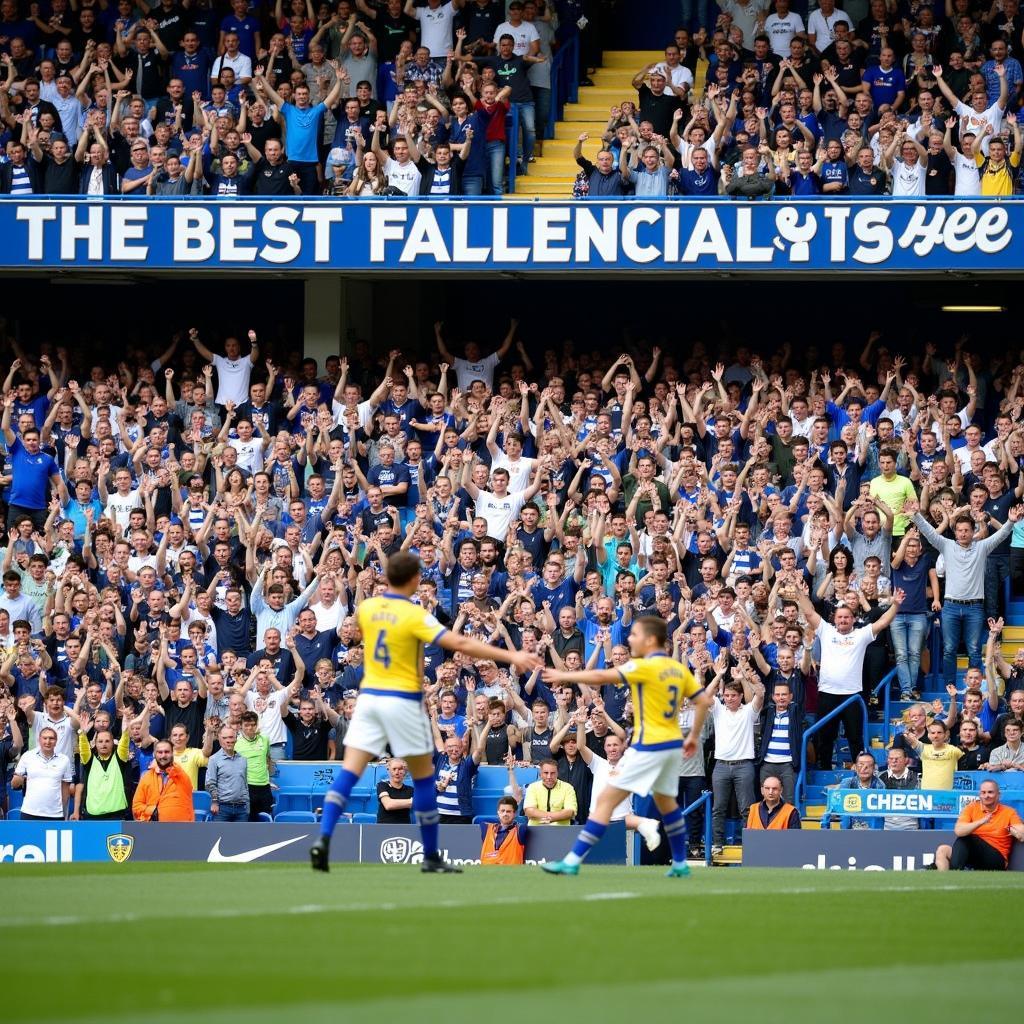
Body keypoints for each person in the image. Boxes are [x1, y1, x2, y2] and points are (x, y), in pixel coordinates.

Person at [309, 551, 542, 873]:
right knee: (423, 781)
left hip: (370, 699)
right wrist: (511, 655)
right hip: (403, 701)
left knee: (349, 774)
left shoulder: (368, 608)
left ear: (386, 578)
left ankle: (323, 839)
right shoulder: (415, 614)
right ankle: (431, 855)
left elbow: (368, 637)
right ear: (416, 580)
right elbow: (461, 644)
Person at [540, 616, 711, 878]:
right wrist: (693, 736)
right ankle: (679, 864)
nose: (630, 639)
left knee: (606, 802)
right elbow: (702, 701)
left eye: (635, 635)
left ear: (650, 639)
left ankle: (572, 860)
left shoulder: (644, 666)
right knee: (667, 804)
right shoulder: (678, 669)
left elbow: (601, 675)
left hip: (648, 747)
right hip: (672, 749)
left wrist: (565, 674)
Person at [907, 499, 1023, 688]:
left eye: (966, 530)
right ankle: (950, 686)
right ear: (955, 532)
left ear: (972, 531)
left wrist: (1010, 521)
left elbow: (1000, 536)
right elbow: (928, 533)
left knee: (975, 650)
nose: (963, 533)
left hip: (975, 607)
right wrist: (916, 515)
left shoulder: (982, 547)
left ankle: (975, 685)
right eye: (959, 530)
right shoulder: (947, 545)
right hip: (951, 606)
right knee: (949, 650)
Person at [796, 582, 904, 769]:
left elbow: (883, 622)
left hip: (852, 694)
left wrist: (895, 604)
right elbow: (809, 613)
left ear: (853, 619)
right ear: (834, 619)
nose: (843, 620)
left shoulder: (861, 634)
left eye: (847, 617)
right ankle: (824, 771)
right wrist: (799, 592)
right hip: (828, 693)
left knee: (855, 736)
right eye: (840, 617)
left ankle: (860, 770)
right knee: (825, 736)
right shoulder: (826, 630)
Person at [934, 780, 1024, 870]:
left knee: (968, 838)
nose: (986, 796)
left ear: (998, 795)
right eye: (983, 792)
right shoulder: (971, 808)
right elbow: (959, 831)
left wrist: (1013, 830)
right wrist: (980, 822)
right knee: (943, 850)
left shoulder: (1009, 812)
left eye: (990, 792)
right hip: (974, 856)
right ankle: (945, 880)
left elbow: (1021, 834)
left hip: (996, 859)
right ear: (980, 794)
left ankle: (955, 871)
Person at [11, 726, 72, 820]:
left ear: (56, 741)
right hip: (29, 812)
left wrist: (62, 811)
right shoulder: (27, 756)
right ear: (39, 740)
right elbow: (14, 784)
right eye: (45, 738)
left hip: (55, 814)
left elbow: (65, 789)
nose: (48, 742)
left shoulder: (64, 760)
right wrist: (17, 780)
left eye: (51, 738)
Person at [132, 739, 195, 821]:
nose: (163, 755)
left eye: (167, 752)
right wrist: (153, 811)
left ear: (172, 754)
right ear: (154, 754)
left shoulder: (181, 776)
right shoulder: (146, 777)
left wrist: (164, 767)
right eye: (160, 752)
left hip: (181, 830)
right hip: (153, 830)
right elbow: (136, 806)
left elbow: (175, 770)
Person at [205, 724, 250, 821]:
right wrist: (214, 802)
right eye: (224, 738)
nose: (228, 740)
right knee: (220, 836)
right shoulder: (214, 759)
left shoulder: (243, 760)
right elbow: (210, 783)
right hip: (222, 808)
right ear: (219, 739)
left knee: (242, 836)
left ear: (236, 738)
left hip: (242, 808)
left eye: (231, 737)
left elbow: (244, 784)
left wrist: (247, 805)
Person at [480, 794, 528, 865]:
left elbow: (525, 820)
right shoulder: (487, 828)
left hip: (511, 874)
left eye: (508, 811)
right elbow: (481, 820)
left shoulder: (520, 830)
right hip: (487, 873)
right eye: (502, 811)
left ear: (514, 813)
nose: (505, 814)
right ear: (498, 812)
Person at [376, 756, 414, 824]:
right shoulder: (382, 785)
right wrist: (412, 802)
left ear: (405, 771)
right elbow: (388, 805)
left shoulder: (411, 790)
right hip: (384, 828)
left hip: (404, 830)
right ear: (389, 771)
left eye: (400, 769)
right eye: (394, 769)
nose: (397, 773)